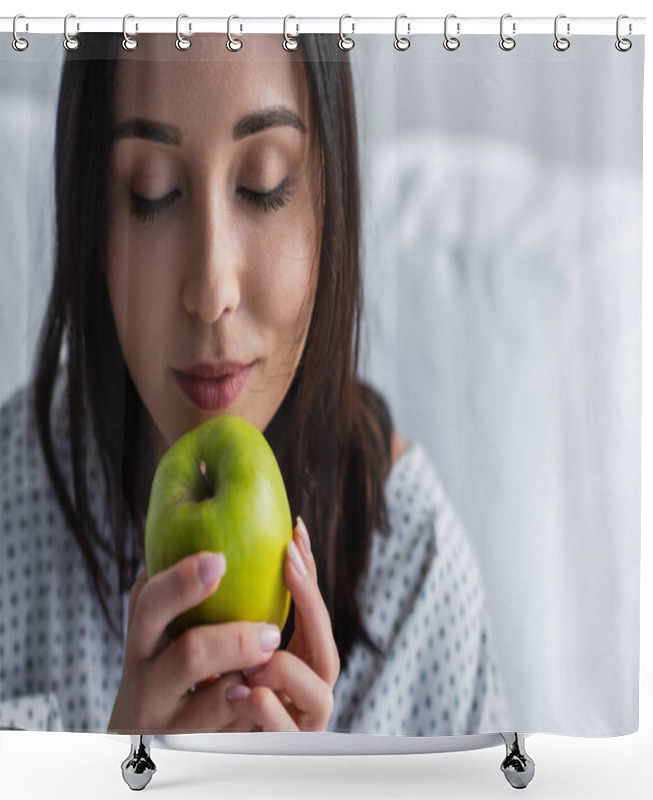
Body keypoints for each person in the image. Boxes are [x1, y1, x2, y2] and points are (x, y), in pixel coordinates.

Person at [0, 32, 509, 735]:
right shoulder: (10, 510)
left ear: (329, 199)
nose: (211, 290)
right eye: (152, 192)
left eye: (263, 185)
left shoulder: (415, 576)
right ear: (92, 212)